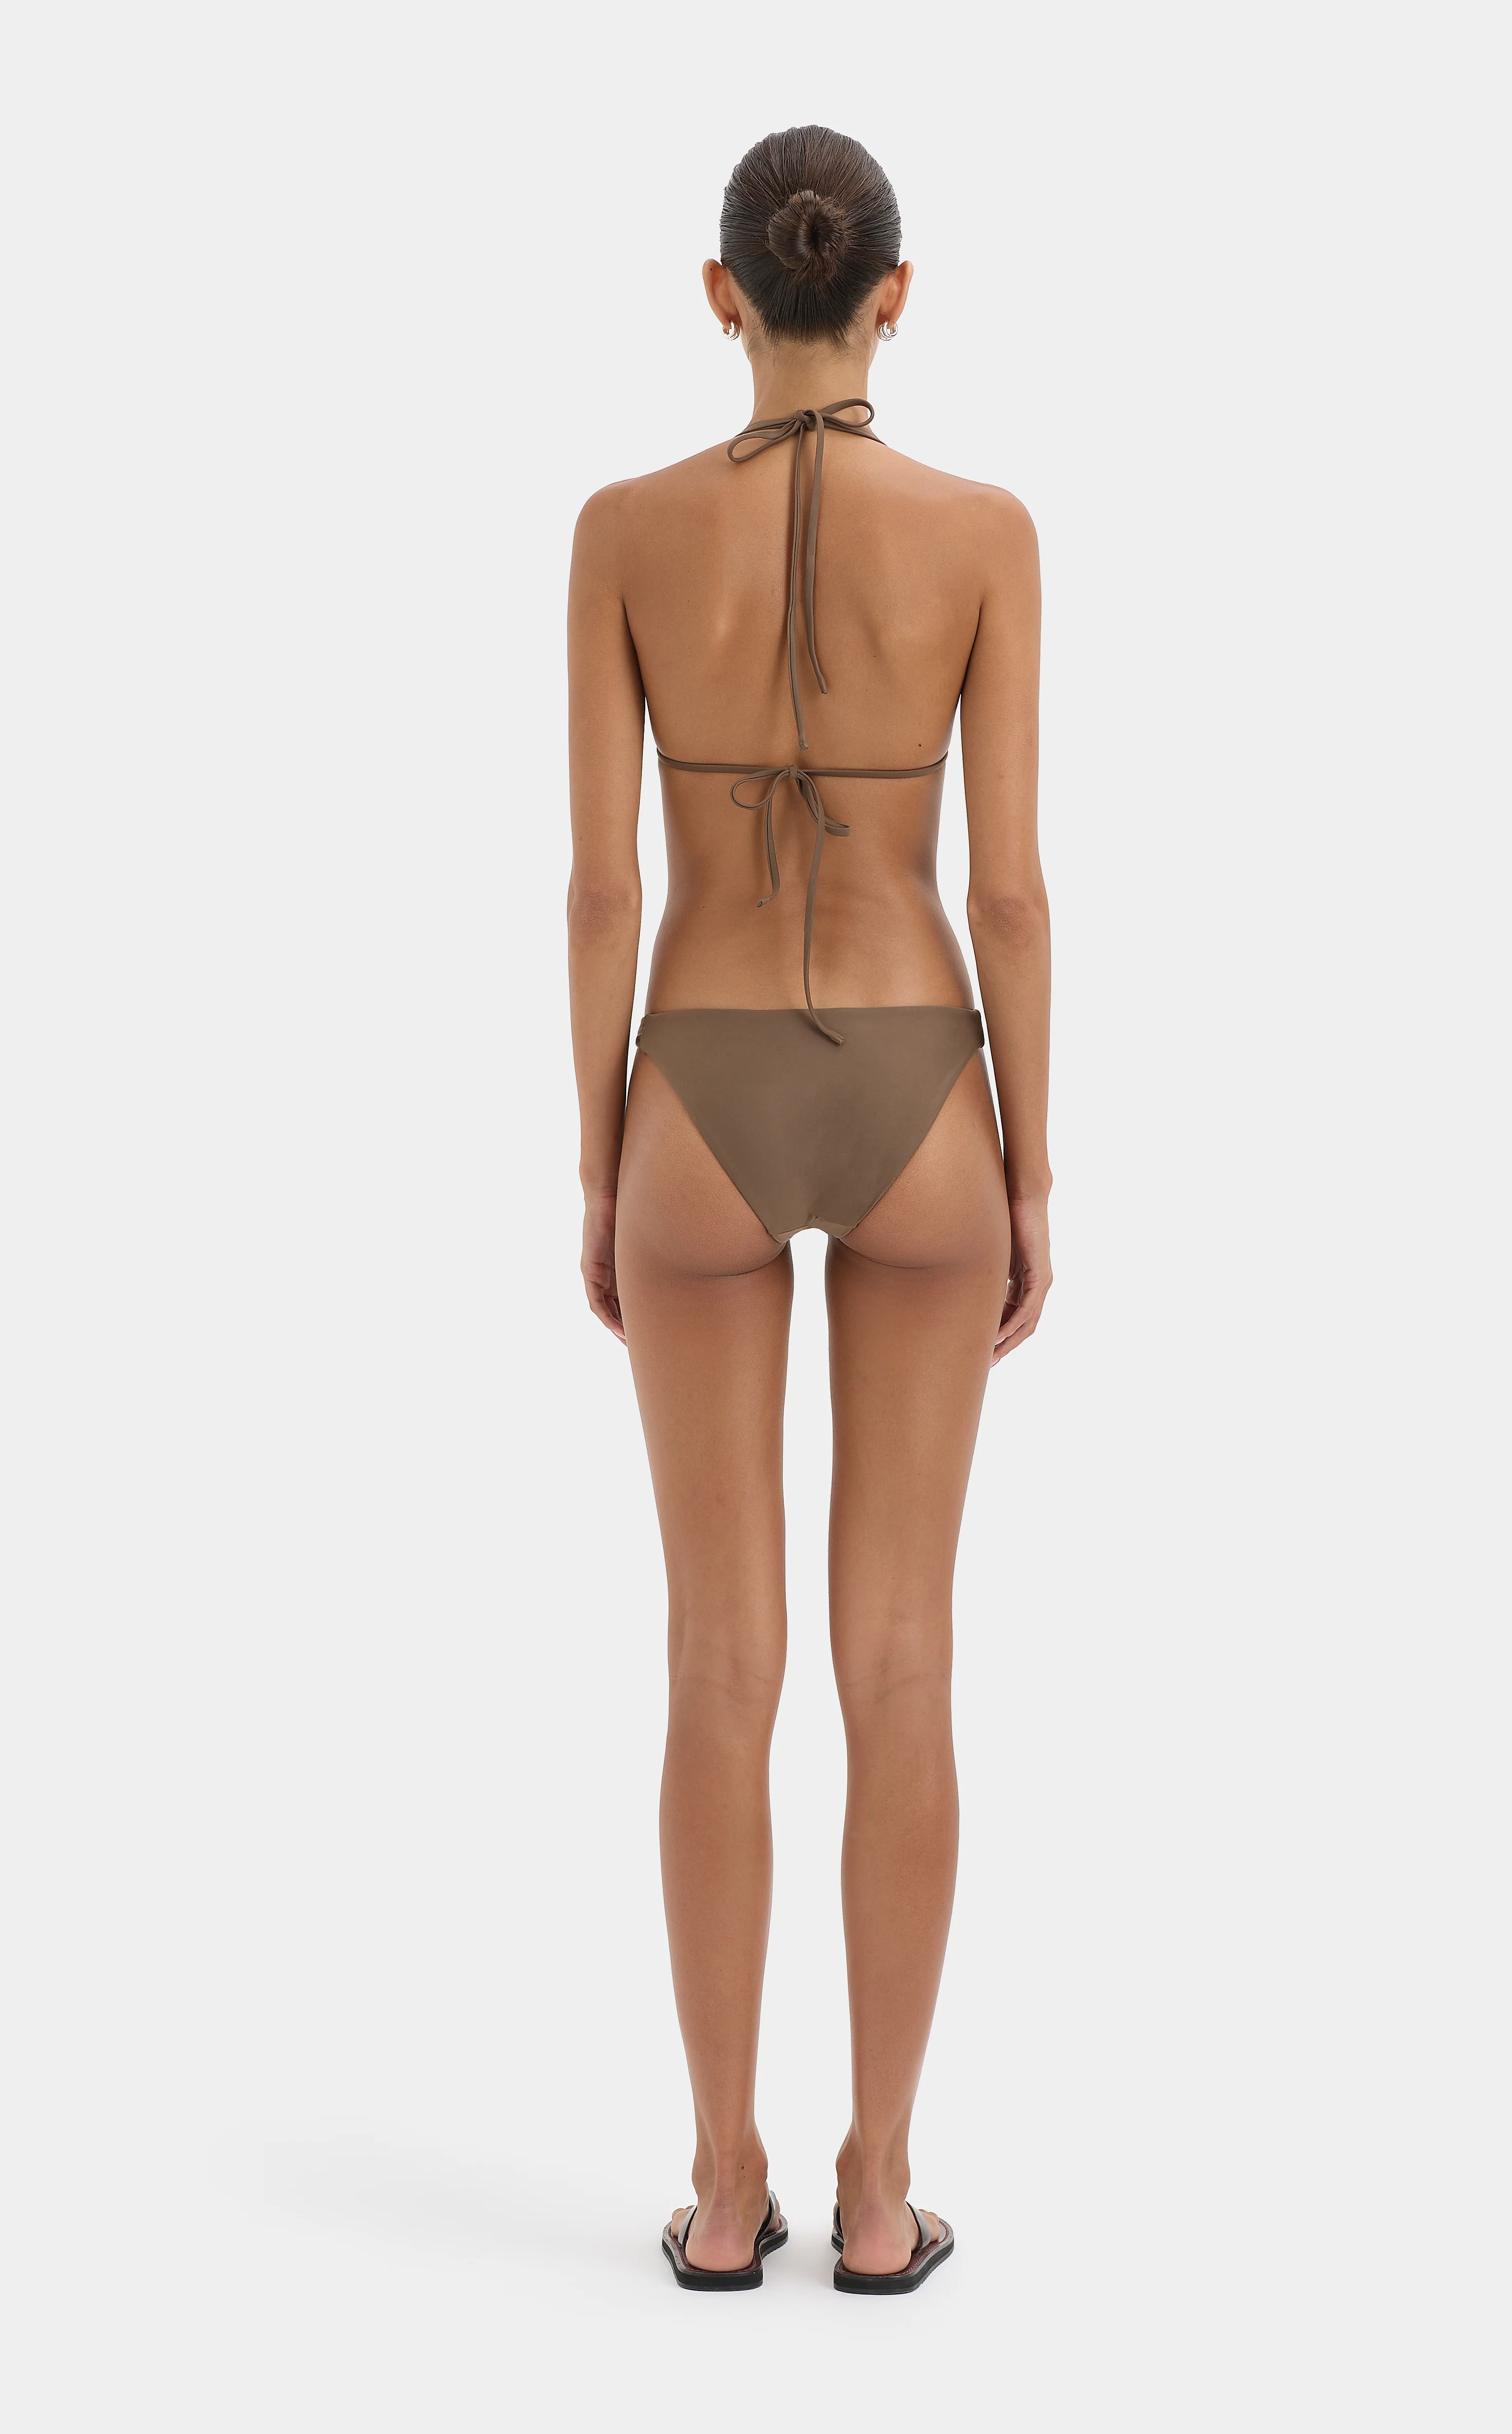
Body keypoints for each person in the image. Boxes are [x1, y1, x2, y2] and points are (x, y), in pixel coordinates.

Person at [566, 124, 1051, 2294]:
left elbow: (598, 893)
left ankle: (717, 2186)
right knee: (901, 1653)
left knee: (717, 1658)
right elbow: (1010, 892)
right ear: (892, 296)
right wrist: (1033, 1160)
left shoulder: (619, 532)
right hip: (918, 1074)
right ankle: (875, 2196)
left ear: (719, 295)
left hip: (698, 1078)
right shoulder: (983, 536)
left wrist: (600, 1154)